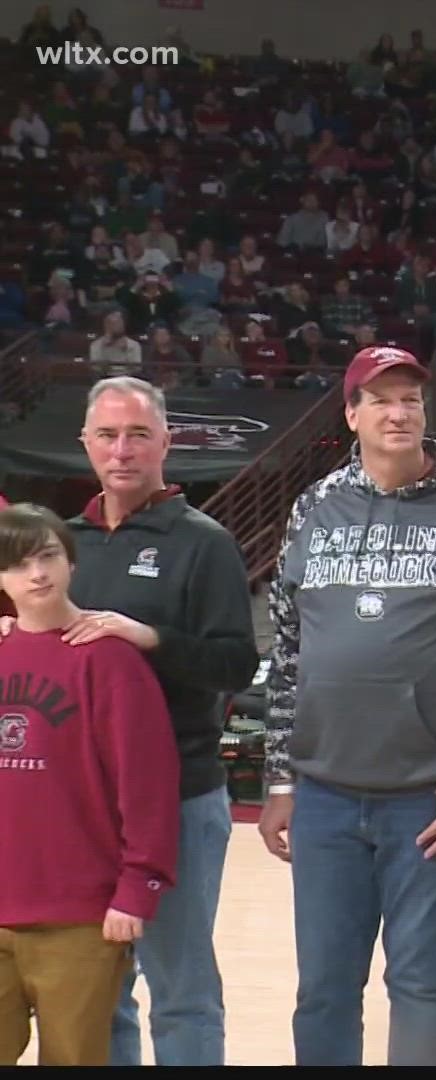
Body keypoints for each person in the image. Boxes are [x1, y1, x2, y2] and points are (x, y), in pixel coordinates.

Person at [258, 346, 436, 1066]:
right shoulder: (314, 508)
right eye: (381, 398)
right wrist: (280, 780)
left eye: (411, 397)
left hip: (430, 799)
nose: (399, 411)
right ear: (352, 415)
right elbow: (288, 653)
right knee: (323, 988)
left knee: (421, 983)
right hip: (323, 794)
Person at [64, 377, 257, 1068]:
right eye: (109, 435)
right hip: (81, 806)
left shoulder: (203, 543)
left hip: (177, 796)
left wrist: (151, 638)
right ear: (85, 444)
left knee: (180, 989)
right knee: (99, 991)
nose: (123, 449)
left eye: (139, 434)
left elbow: (236, 663)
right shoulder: (66, 545)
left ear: (166, 444)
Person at [0, 504, 179, 1066]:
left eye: (48, 556)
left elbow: (148, 787)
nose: (37, 575)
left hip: (78, 917)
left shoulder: (110, 662)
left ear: (72, 563)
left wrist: (138, 886)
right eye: (18, 563)